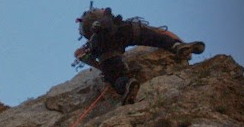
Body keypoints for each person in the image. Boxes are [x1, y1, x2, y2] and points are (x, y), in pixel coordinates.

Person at [74, 6, 205, 105]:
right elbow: (159, 32)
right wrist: (180, 42)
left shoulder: (94, 42)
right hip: (127, 30)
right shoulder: (115, 22)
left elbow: (96, 62)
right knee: (156, 38)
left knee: (116, 77)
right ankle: (176, 47)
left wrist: (104, 68)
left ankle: (127, 84)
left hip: (106, 48)